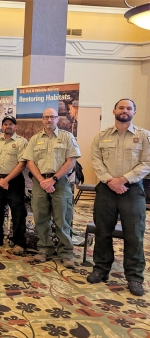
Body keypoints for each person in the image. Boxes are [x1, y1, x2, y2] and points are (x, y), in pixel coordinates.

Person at [87, 98, 150, 297]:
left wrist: (123, 180)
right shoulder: (102, 136)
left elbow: (147, 162)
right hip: (106, 189)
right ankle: (101, 269)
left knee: (134, 234)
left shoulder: (144, 136)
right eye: (121, 107)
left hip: (132, 190)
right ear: (114, 111)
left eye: (129, 108)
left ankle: (134, 277)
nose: (125, 110)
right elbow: (96, 161)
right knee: (103, 231)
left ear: (134, 111)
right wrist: (110, 180)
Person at [23, 108, 81, 269]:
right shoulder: (34, 139)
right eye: (46, 117)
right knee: (40, 217)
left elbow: (71, 161)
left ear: (57, 119)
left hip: (60, 182)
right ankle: (44, 249)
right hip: (40, 181)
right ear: (42, 120)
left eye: (52, 117)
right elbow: (30, 162)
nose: (49, 120)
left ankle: (66, 252)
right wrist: (43, 181)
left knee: (62, 218)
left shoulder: (67, 137)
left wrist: (53, 180)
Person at [0, 115, 28, 254]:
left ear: (15, 127)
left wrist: (6, 180)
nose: (7, 126)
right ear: (2, 127)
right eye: (5, 124)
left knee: (18, 212)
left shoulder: (22, 142)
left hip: (14, 181)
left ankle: (19, 242)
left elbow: (22, 164)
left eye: (10, 124)